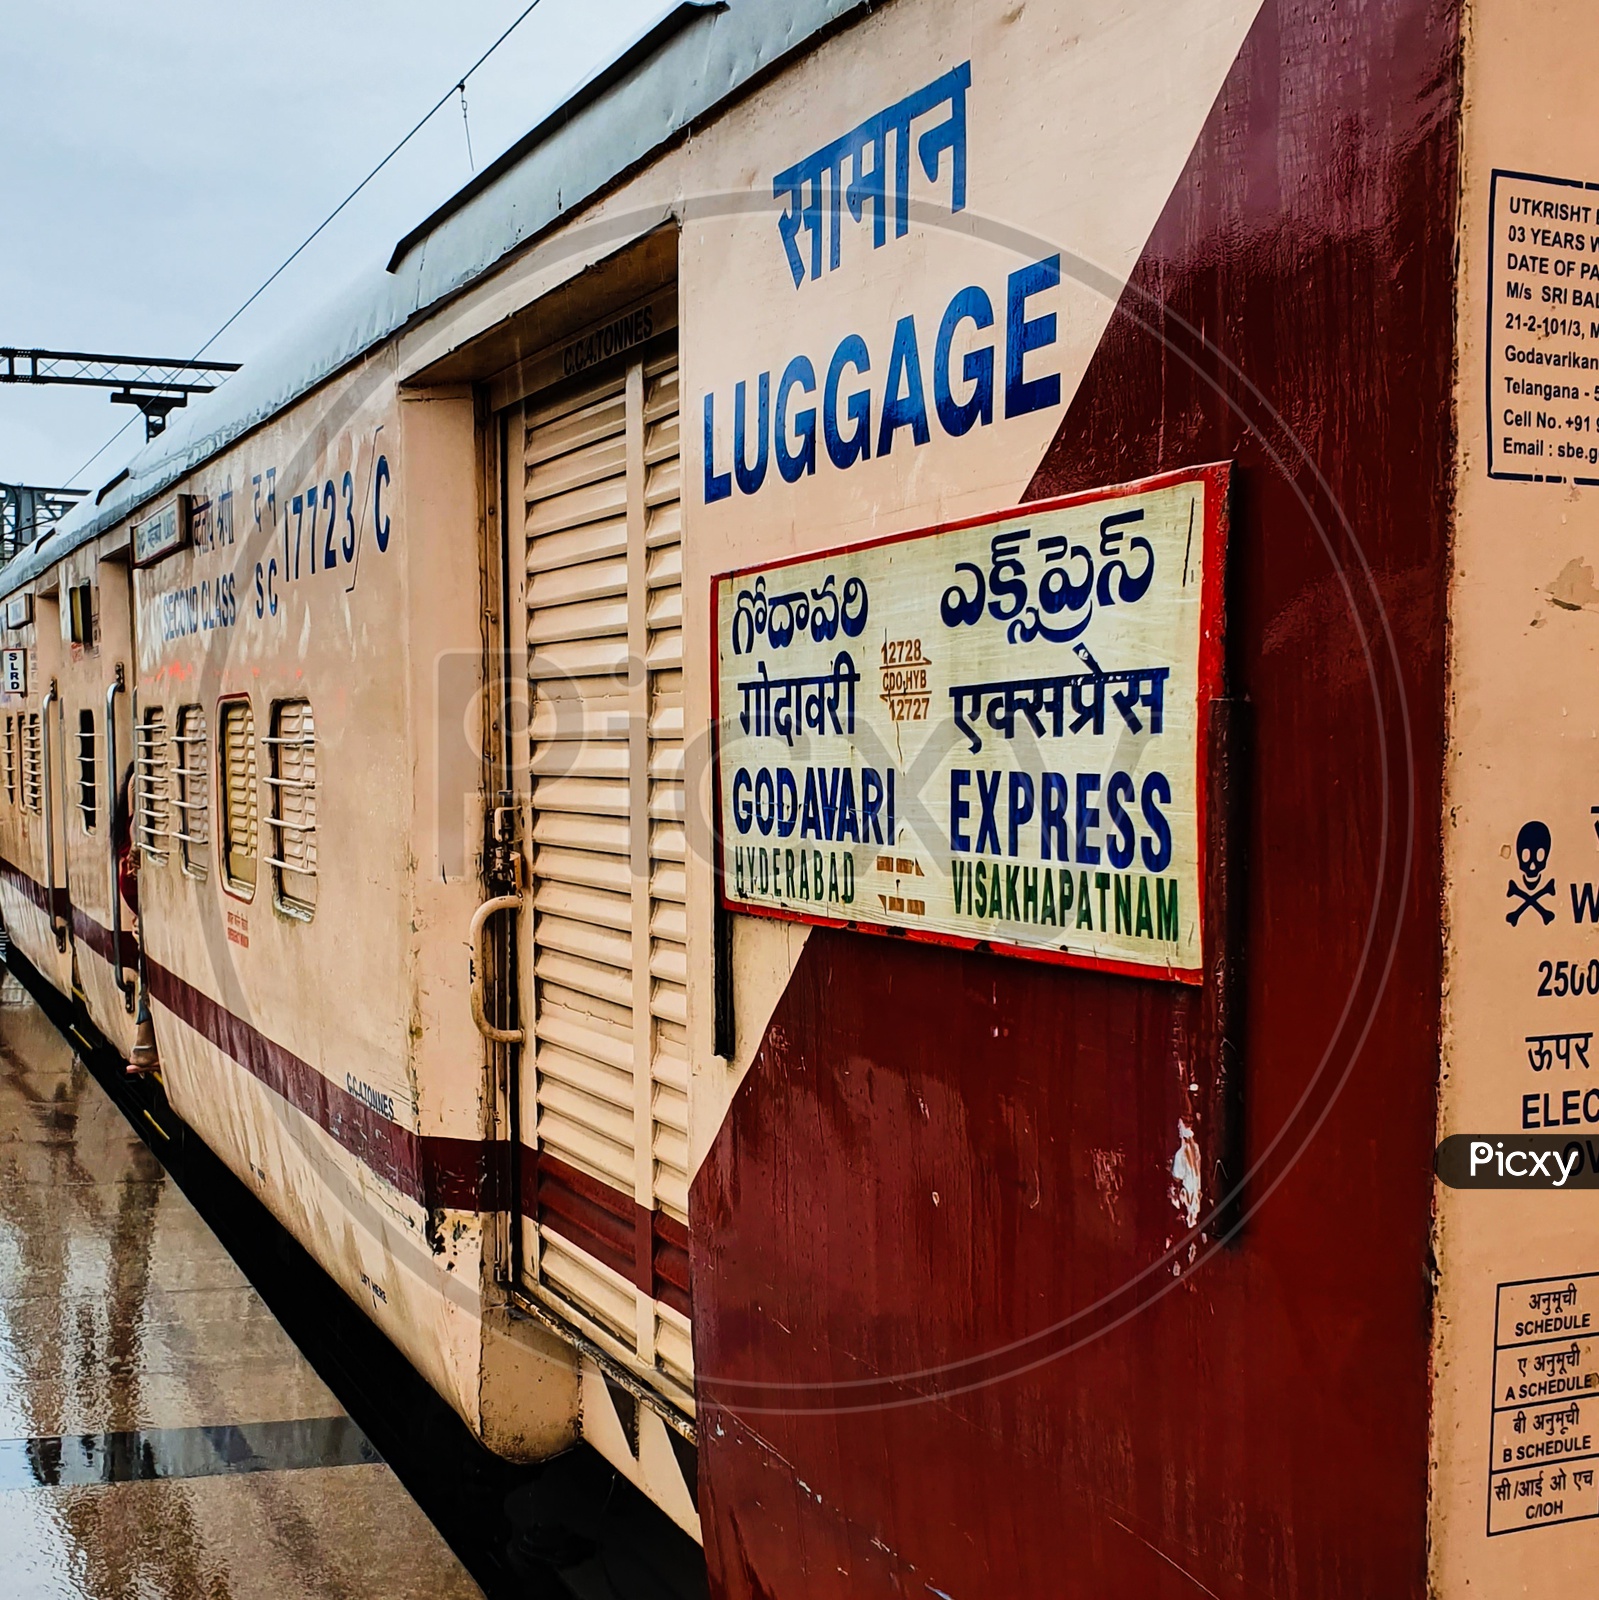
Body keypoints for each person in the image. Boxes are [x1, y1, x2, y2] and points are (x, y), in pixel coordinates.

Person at [112, 764, 159, 1073]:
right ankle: (143, 1040)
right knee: (147, 942)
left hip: (130, 878)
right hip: (135, 877)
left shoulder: (133, 775)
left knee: (145, 938)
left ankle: (144, 1041)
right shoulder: (140, 778)